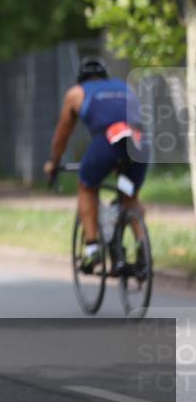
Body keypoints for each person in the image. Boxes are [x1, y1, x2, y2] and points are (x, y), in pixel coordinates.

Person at [43, 57, 147, 276]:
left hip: (109, 142)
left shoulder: (76, 93)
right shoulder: (124, 86)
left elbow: (62, 136)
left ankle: (92, 250)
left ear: (81, 78)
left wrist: (53, 163)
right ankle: (143, 251)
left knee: (87, 186)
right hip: (139, 143)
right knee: (130, 197)